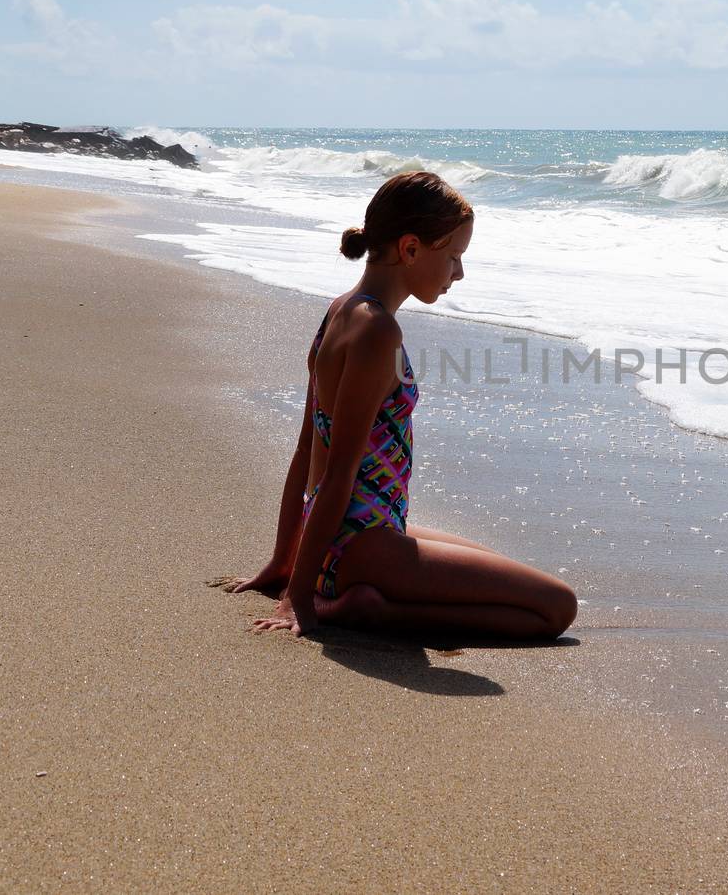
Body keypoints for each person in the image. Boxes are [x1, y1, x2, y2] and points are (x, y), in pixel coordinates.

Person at [219, 171, 577, 641]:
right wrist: (298, 598)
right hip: (358, 543)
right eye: (453, 256)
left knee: (501, 570)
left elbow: (308, 448)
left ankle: (352, 593)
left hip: (346, 534)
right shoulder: (378, 332)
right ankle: (364, 610)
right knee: (556, 608)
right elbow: (337, 472)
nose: (459, 272)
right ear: (410, 249)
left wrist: (283, 562)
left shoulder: (341, 310)